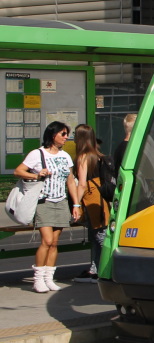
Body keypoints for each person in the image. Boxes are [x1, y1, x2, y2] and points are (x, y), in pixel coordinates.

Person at [15, 121, 79, 293]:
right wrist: (36, 175)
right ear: (53, 135)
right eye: (63, 134)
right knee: (47, 240)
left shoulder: (65, 156)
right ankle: (38, 279)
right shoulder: (37, 154)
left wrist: (76, 204)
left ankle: (49, 278)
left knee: (55, 242)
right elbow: (18, 171)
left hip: (61, 201)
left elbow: (71, 181)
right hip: (44, 201)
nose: (66, 137)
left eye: (67, 134)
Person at [72, 124, 109, 283]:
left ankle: (106, 268)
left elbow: (81, 183)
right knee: (97, 234)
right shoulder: (98, 154)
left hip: (91, 196)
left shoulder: (83, 157)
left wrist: (77, 204)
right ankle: (95, 269)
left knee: (99, 235)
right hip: (102, 197)